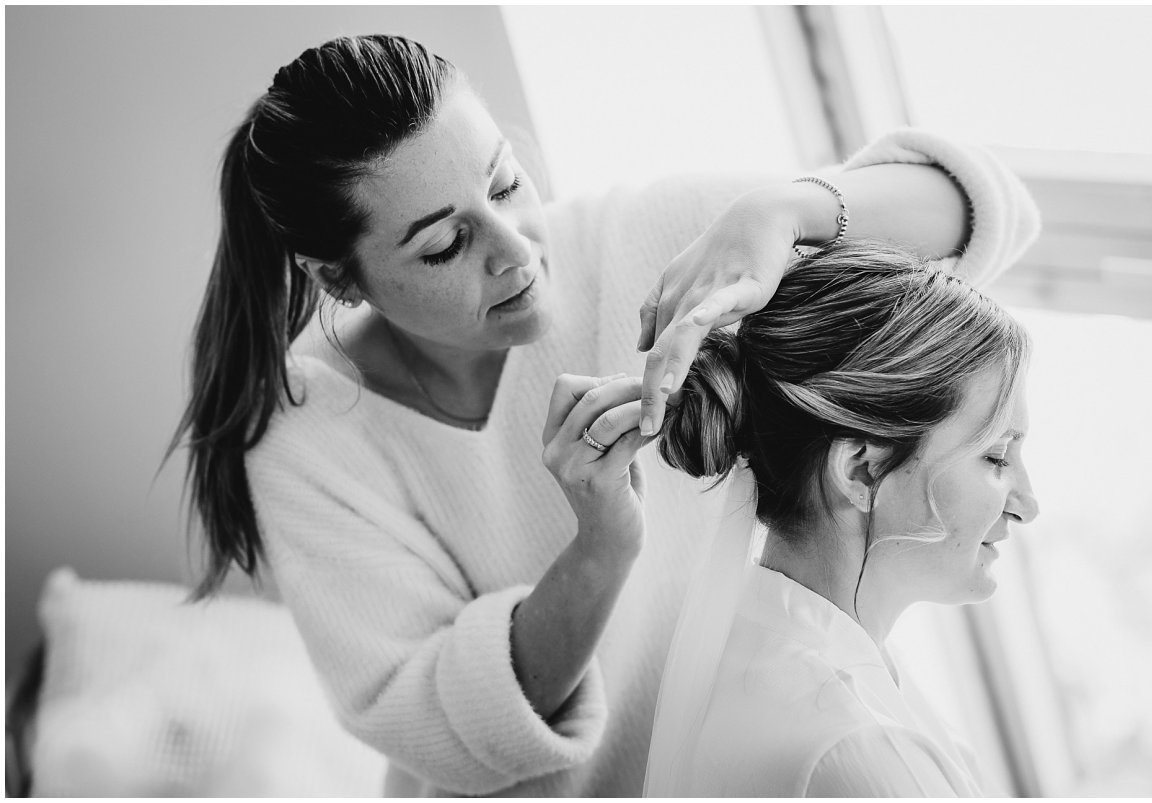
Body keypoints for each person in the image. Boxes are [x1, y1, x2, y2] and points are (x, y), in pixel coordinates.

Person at [170, 33, 1040, 796]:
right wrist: (602, 541)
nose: (516, 252)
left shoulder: (647, 242)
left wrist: (782, 211)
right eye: (446, 244)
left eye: (506, 186)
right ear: (341, 279)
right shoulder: (305, 436)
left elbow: (988, 211)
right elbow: (447, 734)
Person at [644, 240, 1038, 796]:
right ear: (862, 470)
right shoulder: (858, 748)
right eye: (996, 457)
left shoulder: (761, 639)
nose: (1027, 504)